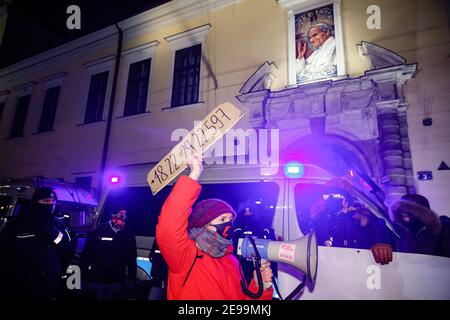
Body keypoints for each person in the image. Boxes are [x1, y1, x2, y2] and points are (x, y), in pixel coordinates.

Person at [156, 153, 273, 300]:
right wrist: (194, 173)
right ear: (204, 225)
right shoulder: (186, 255)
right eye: (222, 219)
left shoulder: (231, 260)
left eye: (230, 219)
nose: (228, 224)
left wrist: (259, 286)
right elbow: (168, 227)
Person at [0, 187, 74, 299]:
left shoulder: (59, 225)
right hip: (21, 286)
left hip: (49, 285)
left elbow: (68, 249)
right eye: (46, 201)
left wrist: (54, 235)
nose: (50, 204)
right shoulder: (17, 224)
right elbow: (4, 254)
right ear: (35, 202)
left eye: (53, 201)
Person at [309, 177, 394, 265]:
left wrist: (381, 244)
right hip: (329, 271)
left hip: (360, 271)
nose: (331, 199)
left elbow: (382, 232)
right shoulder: (318, 222)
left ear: (348, 199)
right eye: (327, 196)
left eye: (337, 195)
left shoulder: (366, 220)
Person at [81, 207, 137, 300]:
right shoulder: (100, 230)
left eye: (125, 215)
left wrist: (131, 280)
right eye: (121, 214)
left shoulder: (128, 233)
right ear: (113, 215)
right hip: (97, 279)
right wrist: (82, 278)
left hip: (117, 280)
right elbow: (86, 255)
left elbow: (131, 258)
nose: (123, 217)